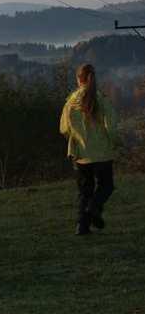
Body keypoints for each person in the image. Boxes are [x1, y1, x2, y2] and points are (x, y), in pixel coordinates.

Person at [60, 63, 118, 236]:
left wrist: (76, 138)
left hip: (81, 154)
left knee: (85, 191)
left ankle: (82, 227)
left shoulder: (71, 102)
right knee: (106, 186)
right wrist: (115, 142)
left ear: (79, 79)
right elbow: (112, 127)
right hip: (102, 152)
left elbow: (63, 129)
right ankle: (94, 208)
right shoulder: (101, 99)